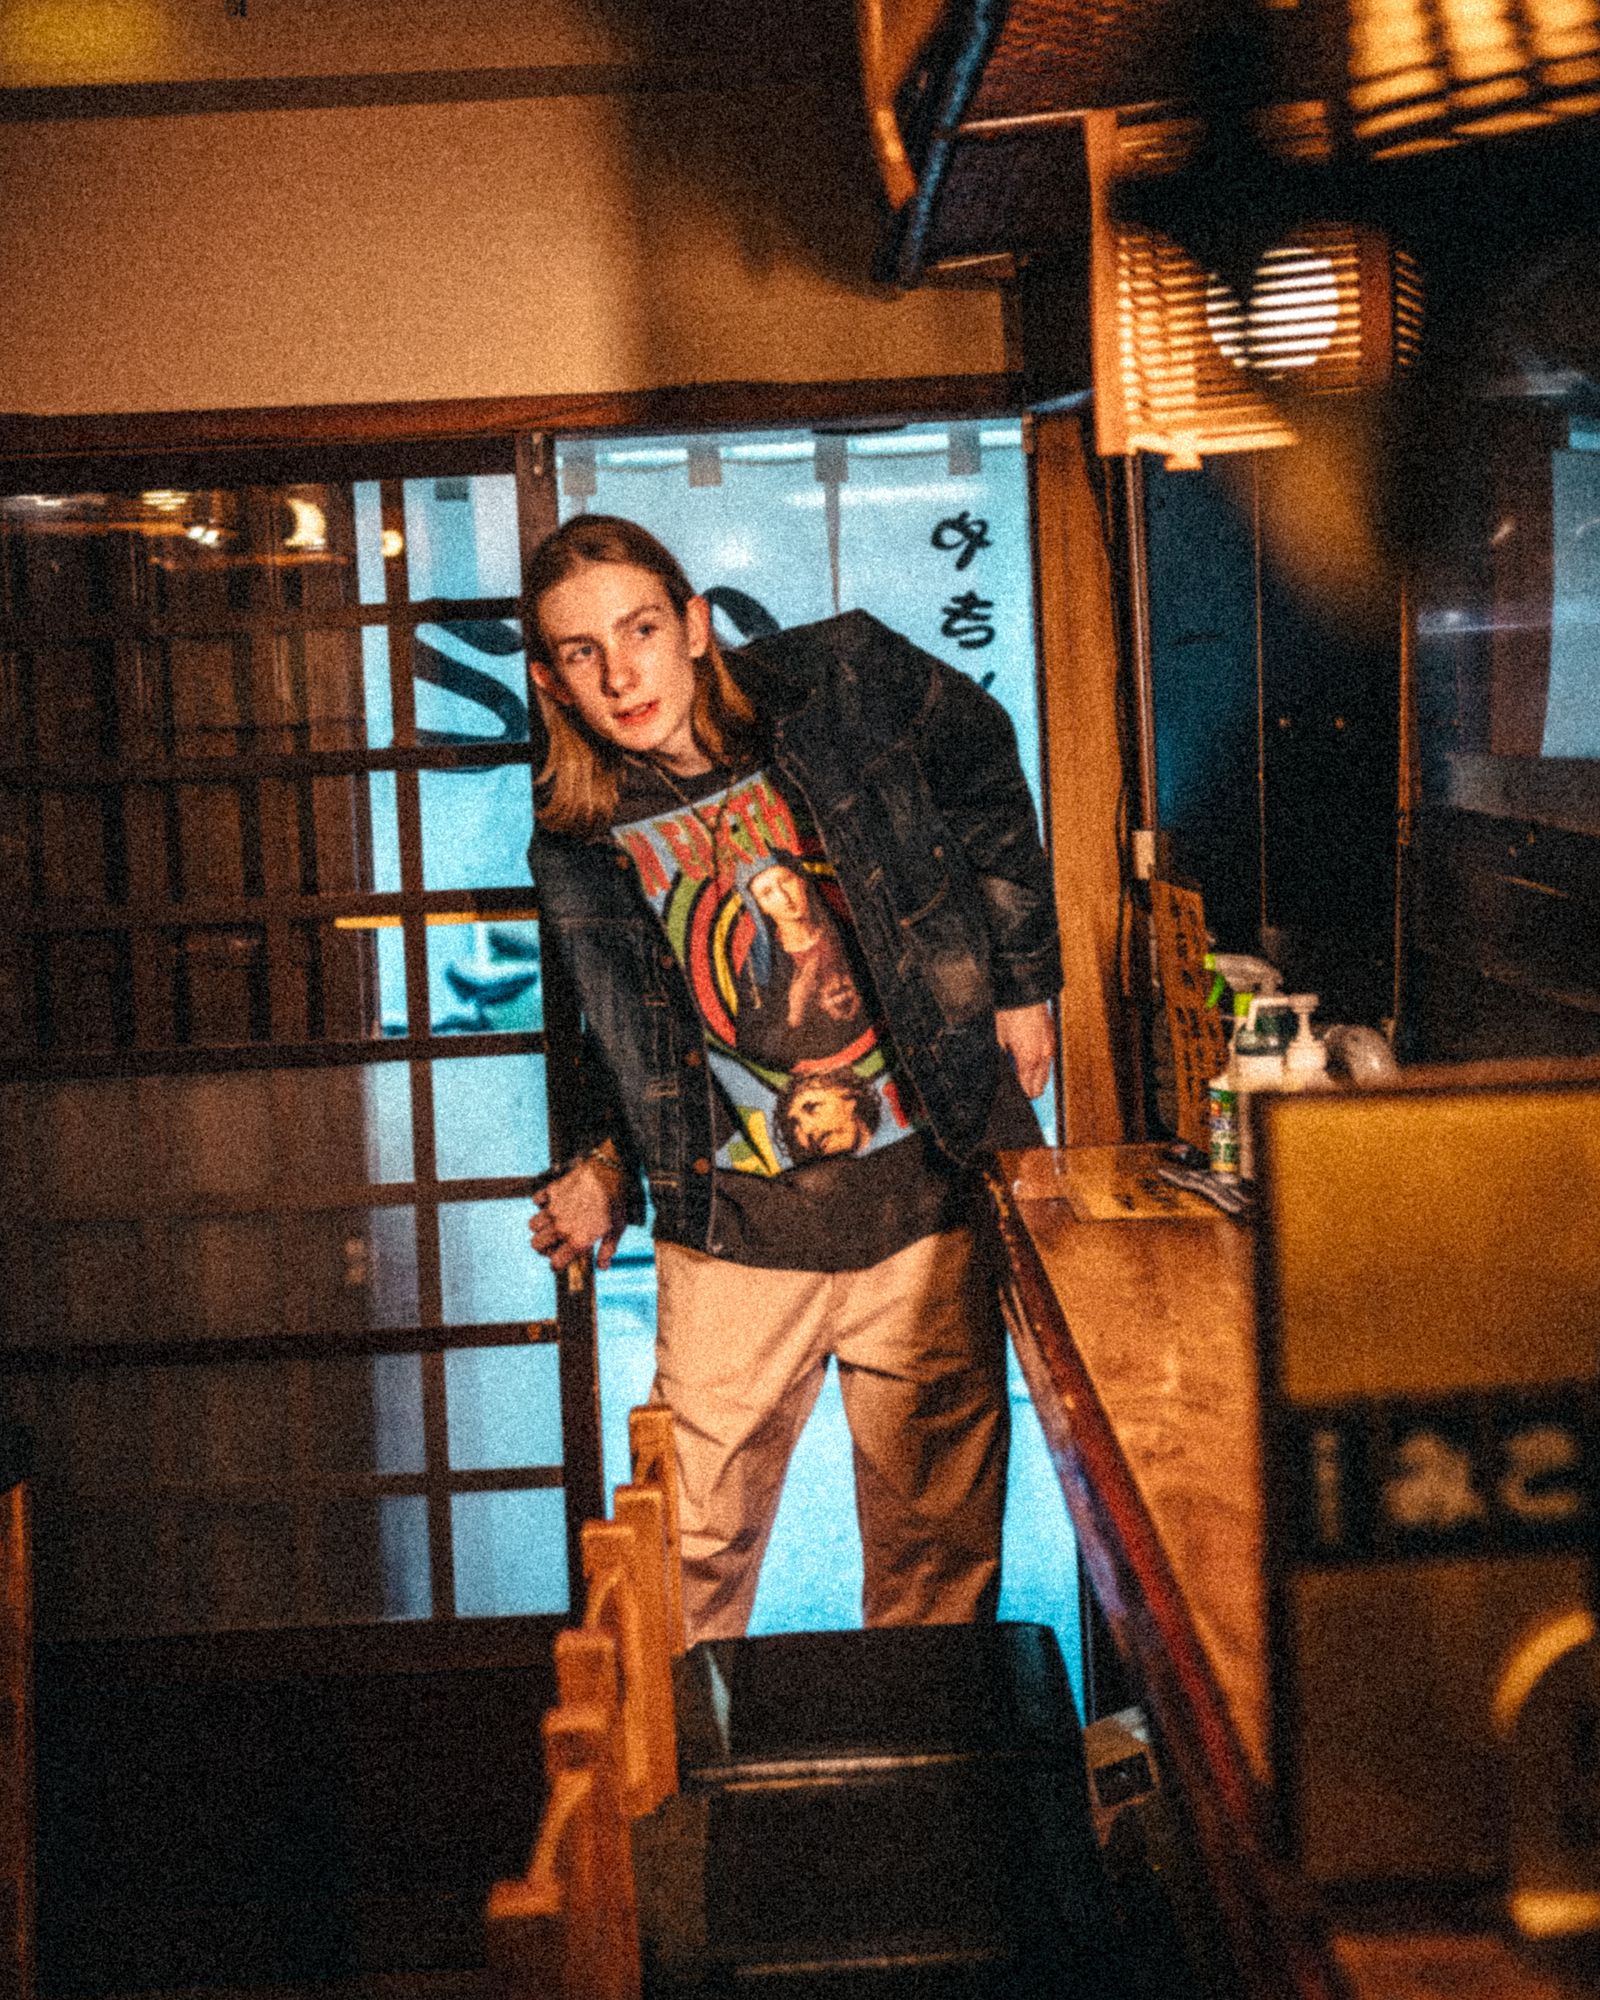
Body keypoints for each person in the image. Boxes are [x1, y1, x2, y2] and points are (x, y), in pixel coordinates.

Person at [523, 514, 1059, 1643]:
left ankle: (922, 1756)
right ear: (551, 680)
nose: (621, 675)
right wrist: (601, 1168)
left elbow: (983, 762)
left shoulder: (840, 681)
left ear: (694, 625)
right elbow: (612, 1030)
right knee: (688, 1563)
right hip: (736, 1238)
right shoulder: (576, 840)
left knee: (936, 1564)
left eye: (641, 630)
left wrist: (1021, 979)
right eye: (582, 652)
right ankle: (681, 1760)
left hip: (922, 1211)